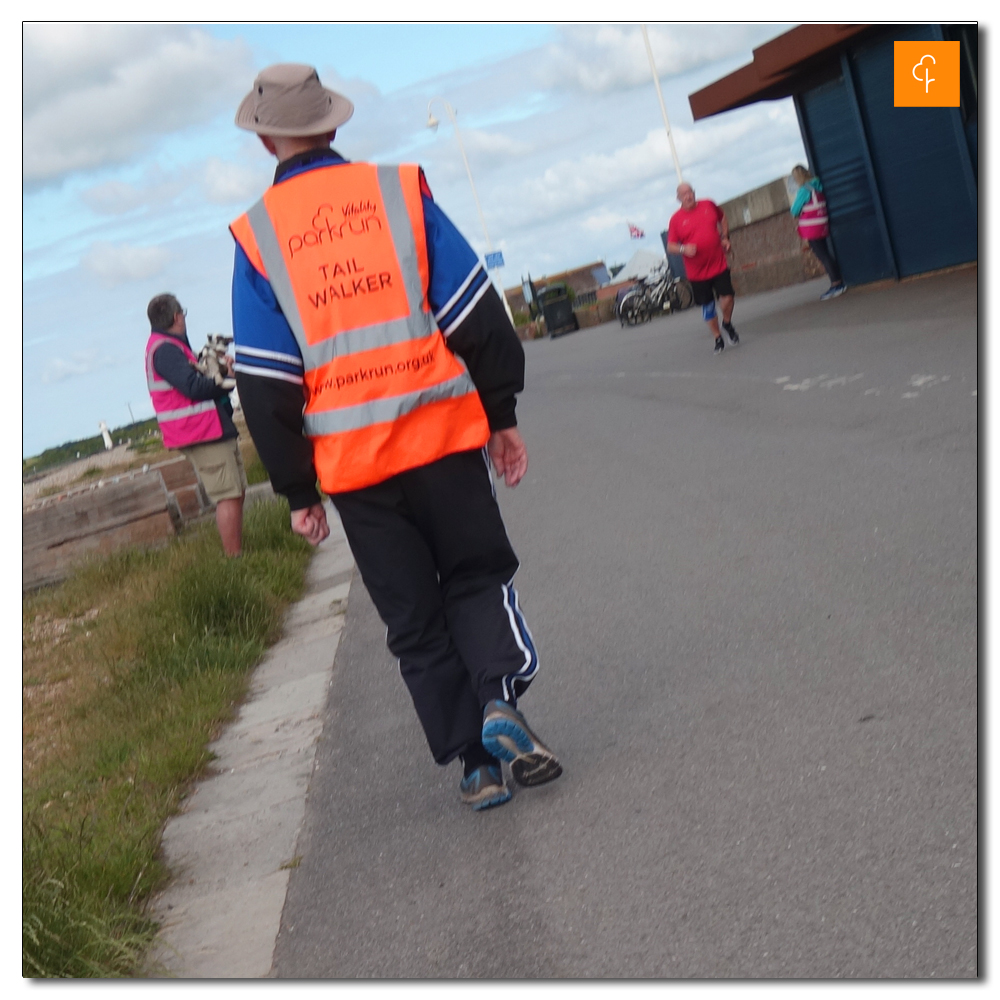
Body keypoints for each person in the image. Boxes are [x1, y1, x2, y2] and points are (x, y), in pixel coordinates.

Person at [228, 63, 561, 811]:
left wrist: (296, 490)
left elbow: (266, 380)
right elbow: (475, 311)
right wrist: (500, 414)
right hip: (441, 436)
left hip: (354, 468)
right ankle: (500, 696)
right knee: (475, 576)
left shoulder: (257, 240)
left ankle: (475, 767)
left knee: (413, 616)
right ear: (334, 126)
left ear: (265, 141)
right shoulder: (398, 193)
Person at [145, 293, 246, 556]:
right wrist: (226, 378)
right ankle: (235, 560)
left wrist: (219, 371)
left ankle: (238, 554)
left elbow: (195, 378)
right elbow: (193, 387)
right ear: (178, 317)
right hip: (201, 431)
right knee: (228, 494)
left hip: (208, 427)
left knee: (234, 491)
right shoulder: (165, 349)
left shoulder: (168, 346)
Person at [666, 182, 739, 354]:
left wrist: (725, 237)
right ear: (678, 199)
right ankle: (717, 337)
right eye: (684, 194)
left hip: (717, 263)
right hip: (697, 272)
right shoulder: (676, 220)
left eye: (690, 192)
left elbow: (722, 217)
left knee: (728, 296)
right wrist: (684, 249)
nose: (688, 196)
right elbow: (671, 246)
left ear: (694, 192)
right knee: (708, 306)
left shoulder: (708, 204)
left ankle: (727, 324)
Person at [790, 165, 845, 300]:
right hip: (822, 224)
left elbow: (794, 210)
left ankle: (836, 284)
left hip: (811, 227)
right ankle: (837, 281)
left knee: (822, 255)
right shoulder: (817, 185)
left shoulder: (804, 190)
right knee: (826, 252)